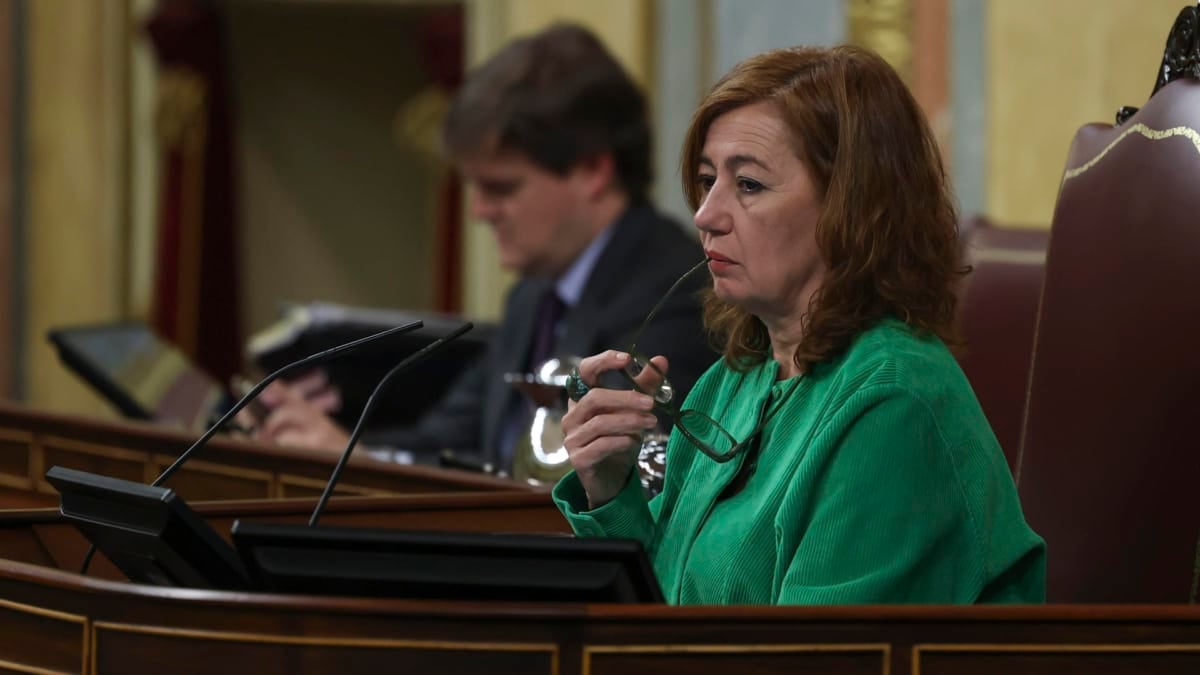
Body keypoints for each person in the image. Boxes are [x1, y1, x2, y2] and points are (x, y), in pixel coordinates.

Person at [555, 45, 1046, 604]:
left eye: (748, 185)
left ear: (851, 207)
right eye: (707, 180)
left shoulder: (891, 403)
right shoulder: (736, 379)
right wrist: (610, 488)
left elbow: (816, 647)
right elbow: (663, 607)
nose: (705, 215)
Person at [253, 24, 714, 474]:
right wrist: (335, 451)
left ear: (592, 170)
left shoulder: (674, 294)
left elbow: (602, 477)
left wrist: (358, 464)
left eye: (501, 188)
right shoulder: (533, 295)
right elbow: (444, 442)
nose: (478, 212)